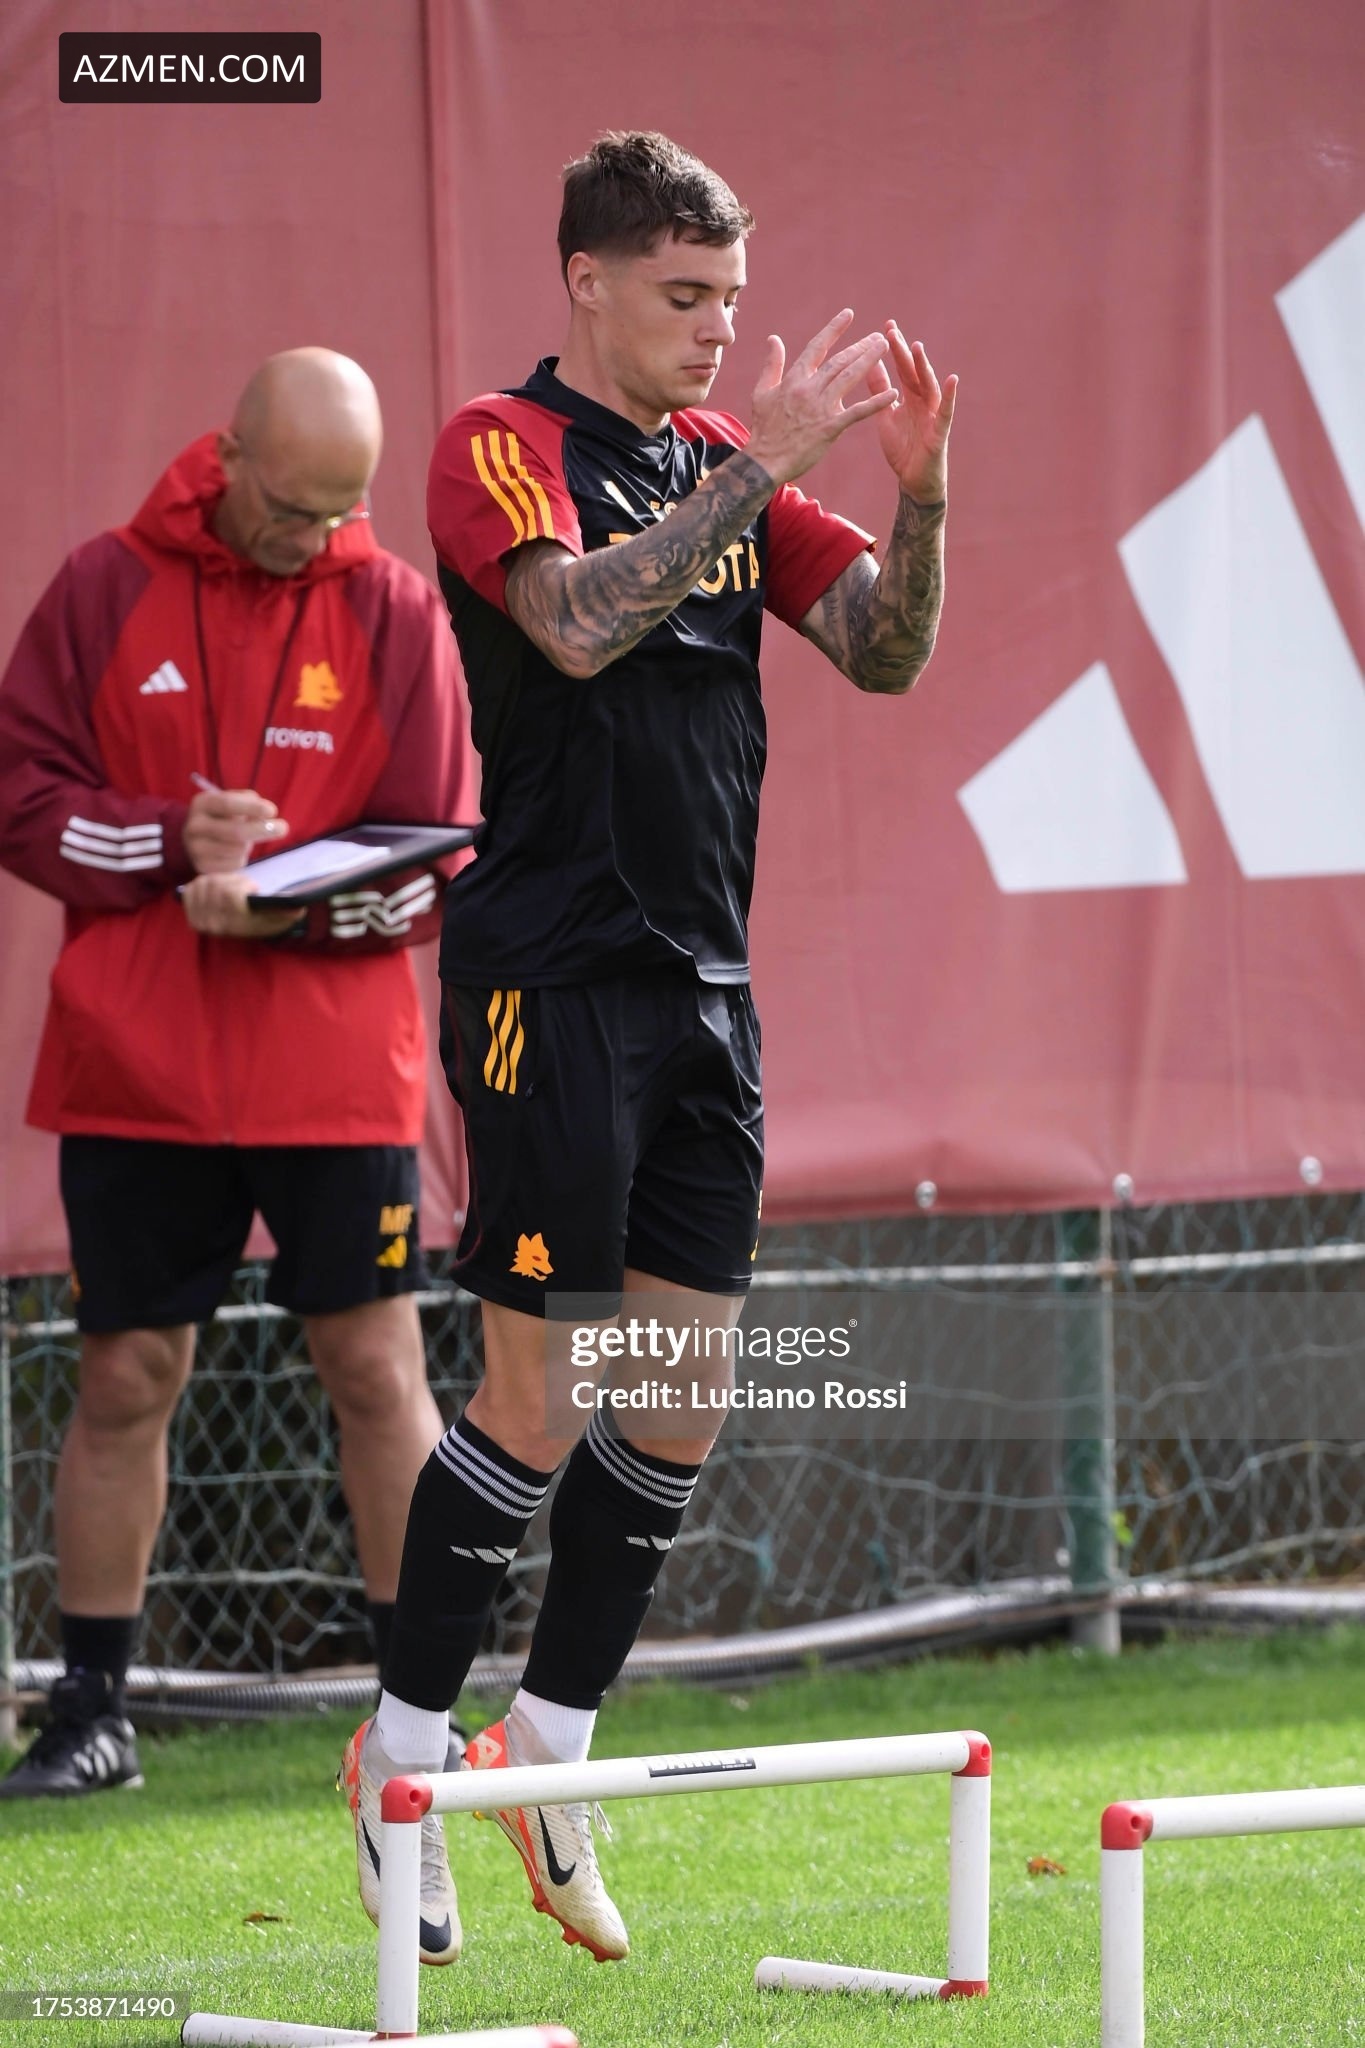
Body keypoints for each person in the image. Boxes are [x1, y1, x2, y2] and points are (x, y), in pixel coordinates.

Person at [341, 131, 956, 1966]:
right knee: (535, 1401)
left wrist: (920, 497)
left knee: (678, 1392)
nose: (712, 331)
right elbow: (571, 627)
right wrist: (763, 461)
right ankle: (396, 1764)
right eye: (684, 298)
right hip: (549, 983)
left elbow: (886, 653)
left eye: (730, 300)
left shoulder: (727, 469)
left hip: (704, 990)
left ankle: (549, 1751)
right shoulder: (497, 443)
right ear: (588, 281)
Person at [0, 349, 471, 1802]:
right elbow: (20, 798)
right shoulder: (103, 587)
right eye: (290, 505)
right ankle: (90, 1714)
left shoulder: (394, 607)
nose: (312, 534)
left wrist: (292, 906)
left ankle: (416, 1722)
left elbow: (438, 854)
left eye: (341, 509)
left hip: (335, 1069)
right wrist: (168, 842)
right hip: (137, 1064)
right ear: (229, 455)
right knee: (128, 1374)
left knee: (376, 1367)